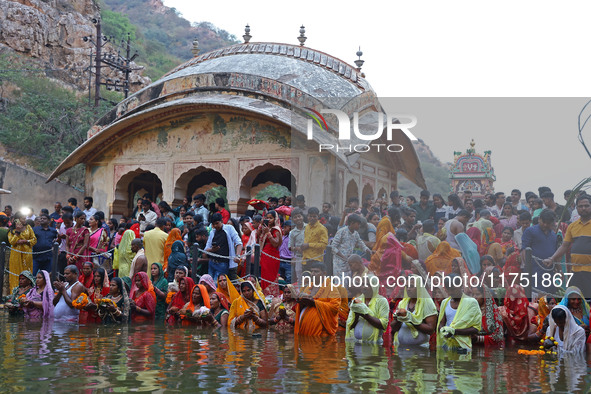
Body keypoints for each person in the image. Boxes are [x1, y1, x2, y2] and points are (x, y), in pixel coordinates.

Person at [544, 195, 591, 294]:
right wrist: (552, 258)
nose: (583, 208)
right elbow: (564, 246)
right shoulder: (572, 226)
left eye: (586, 206)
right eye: (580, 206)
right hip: (575, 271)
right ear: (576, 208)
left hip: (589, 272)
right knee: (576, 302)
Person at [294, 261, 340, 336]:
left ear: (324, 273)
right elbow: (301, 307)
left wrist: (315, 303)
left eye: (316, 271)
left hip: (322, 332)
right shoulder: (308, 287)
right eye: (312, 271)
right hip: (304, 329)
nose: (312, 274)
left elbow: (335, 307)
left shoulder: (331, 288)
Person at [436, 276, 482, 352]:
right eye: (448, 289)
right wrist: (443, 330)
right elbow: (441, 323)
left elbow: (476, 328)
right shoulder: (445, 303)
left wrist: (454, 332)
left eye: (453, 289)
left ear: (460, 286)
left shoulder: (471, 302)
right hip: (447, 345)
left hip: (463, 347)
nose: (450, 292)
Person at [391, 275, 437, 346]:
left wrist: (411, 320)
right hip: (401, 349)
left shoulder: (427, 302)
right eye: (407, 286)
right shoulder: (402, 303)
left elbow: (431, 329)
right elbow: (394, 327)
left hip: (420, 350)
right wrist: (398, 319)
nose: (408, 289)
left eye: (411, 286)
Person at [522, 209, 557, 295]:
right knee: (535, 296)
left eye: (548, 223)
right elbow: (524, 251)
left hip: (549, 271)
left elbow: (555, 253)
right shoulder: (530, 231)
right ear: (539, 219)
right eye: (543, 222)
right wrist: (527, 269)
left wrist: (559, 270)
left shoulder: (553, 235)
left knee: (549, 296)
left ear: (552, 223)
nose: (545, 225)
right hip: (534, 270)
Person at [205, 213, 242, 281]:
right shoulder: (212, 232)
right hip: (212, 262)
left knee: (217, 284)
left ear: (221, 221)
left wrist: (237, 256)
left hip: (223, 263)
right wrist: (212, 249)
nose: (215, 226)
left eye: (217, 223)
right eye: (213, 224)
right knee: (209, 284)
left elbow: (238, 242)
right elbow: (206, 249)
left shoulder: (229, 228)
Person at [8, 214, 37, 290]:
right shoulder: (12, 230)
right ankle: (15, 293)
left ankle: (27, 292)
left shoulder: (28, 227)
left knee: (27, 272)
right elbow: (12, 242)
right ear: (17, 220)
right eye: (23, 218)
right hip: (16, 253)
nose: (25, 220)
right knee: (16, 272)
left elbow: (34, 240)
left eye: (25, 218)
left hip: (27, 253)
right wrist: (17, 232)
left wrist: (26, 241)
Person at [257, 210, 282, 290]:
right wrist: (261, 226)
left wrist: (268, 233)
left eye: (271, 218)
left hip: (272, 256)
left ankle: (272, 295)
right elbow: (257, 237)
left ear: (275, 219)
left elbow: (275, 244)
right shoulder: (266, 228)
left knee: (271, 277)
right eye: (267, 218)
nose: (269, 220)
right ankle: (265, 295)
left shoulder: (276, 229)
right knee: (264, 276)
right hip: (265, 255)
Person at [288, 208, 306, 284]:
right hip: (299, 257)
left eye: (299, 216)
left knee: (311, 277)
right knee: (300, 278)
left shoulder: (309, 227)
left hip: (310, 256)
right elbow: (290, 247)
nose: (298, 218)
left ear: (302, 216)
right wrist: (297, 248)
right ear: (292, 219)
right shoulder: (292, 232)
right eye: (295, 217)